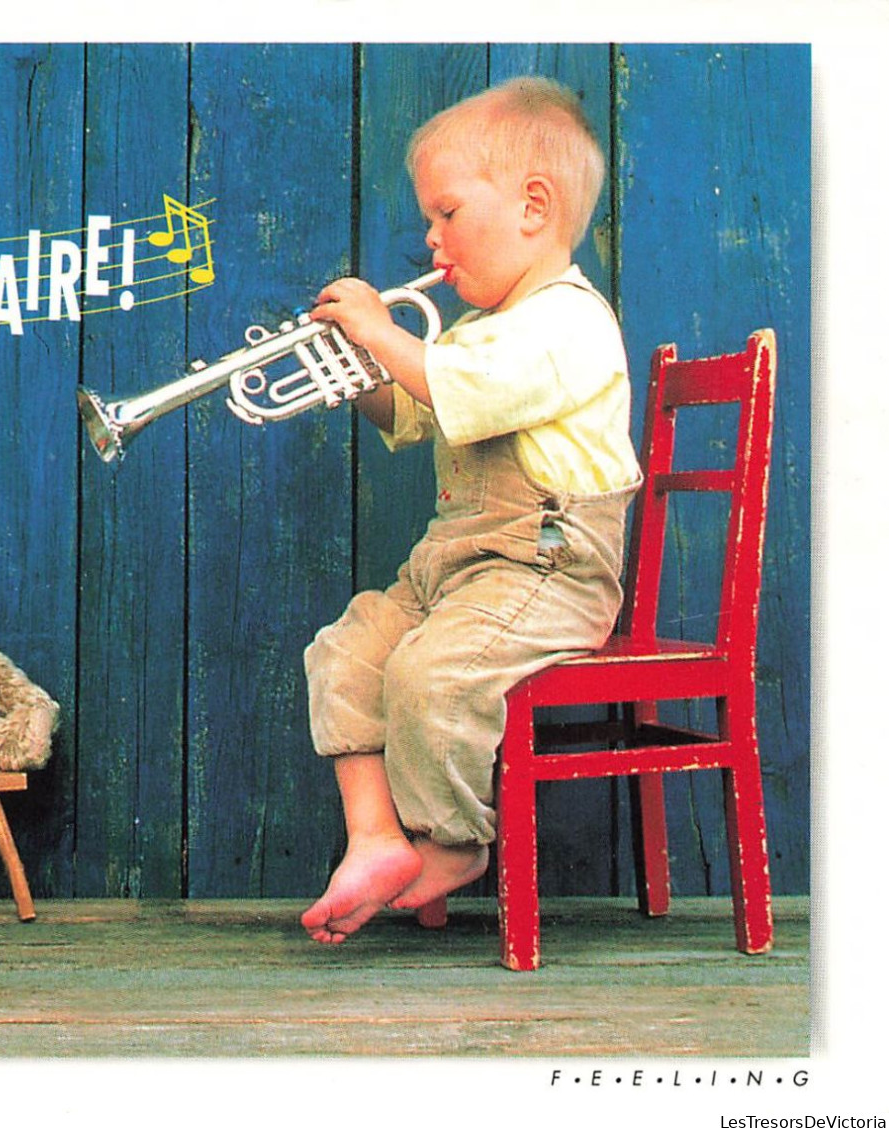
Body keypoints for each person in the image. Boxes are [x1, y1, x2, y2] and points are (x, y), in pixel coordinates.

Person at [300, 76, 643, 945]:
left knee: (430, 677)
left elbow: (462, 389)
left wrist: (381, 331)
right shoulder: (477, 328)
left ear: (534, 206)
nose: (430, 239)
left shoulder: (568, 321)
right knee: (346, 651)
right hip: (457, 565)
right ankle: (376, 835)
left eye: (447, 213)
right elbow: (418, 414)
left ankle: (450, 842)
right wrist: (359, 374)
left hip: (547, 569)